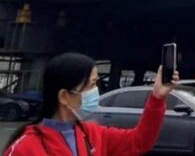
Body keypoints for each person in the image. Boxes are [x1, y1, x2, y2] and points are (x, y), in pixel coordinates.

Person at [3, 52, 178, 156]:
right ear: (64, 96)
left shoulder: (92, 133)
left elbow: (139, 141)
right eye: (92, 85)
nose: (97, 92)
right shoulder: (25, 147)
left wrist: (157, 97)